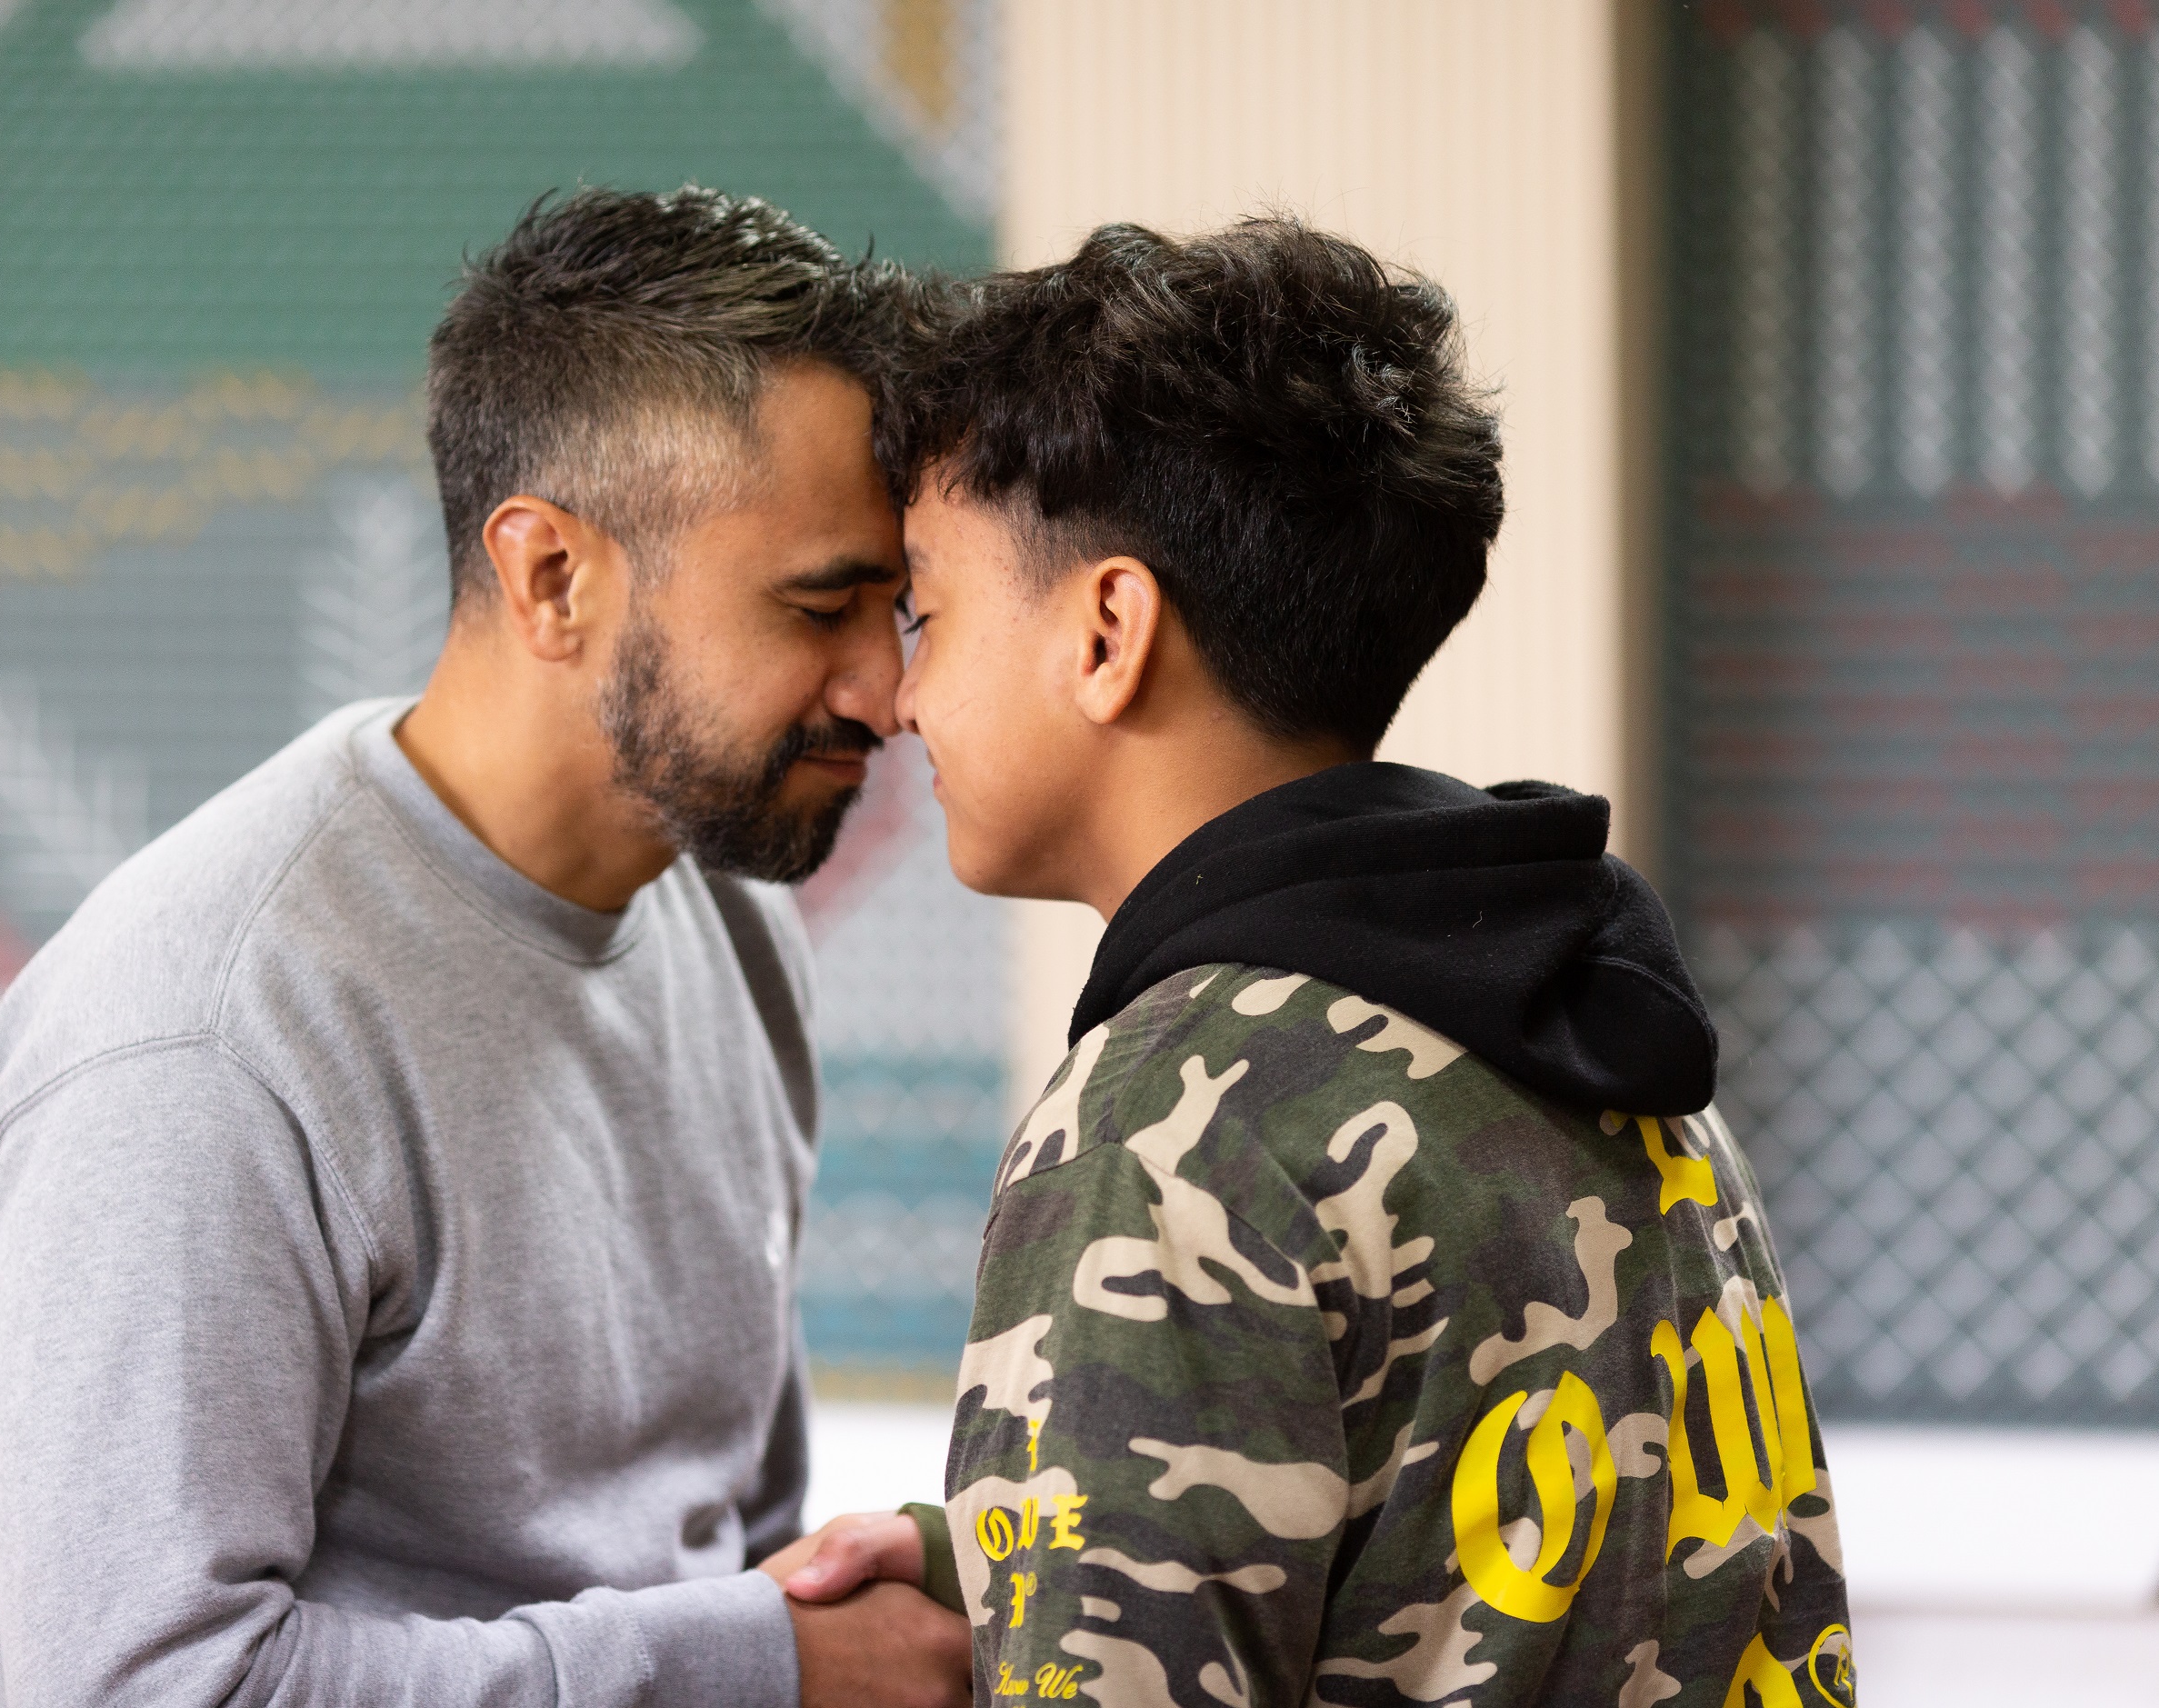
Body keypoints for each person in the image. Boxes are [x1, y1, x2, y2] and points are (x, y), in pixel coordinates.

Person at [782, 219, 1854, 1706]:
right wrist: (1030, 1543)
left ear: (1106, 631)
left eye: (929, 616)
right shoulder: (1612, 1044)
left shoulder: (1175, 1123)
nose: (899, 699)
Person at [0, 186, 970, 1708]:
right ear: (550, 576)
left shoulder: (728, 917)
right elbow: (145, 1689)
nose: (884, 693)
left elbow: (706, 1556)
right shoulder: (202, 1047)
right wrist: (756, 1666)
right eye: (823, 607)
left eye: (902, 610)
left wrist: (821, 1609)